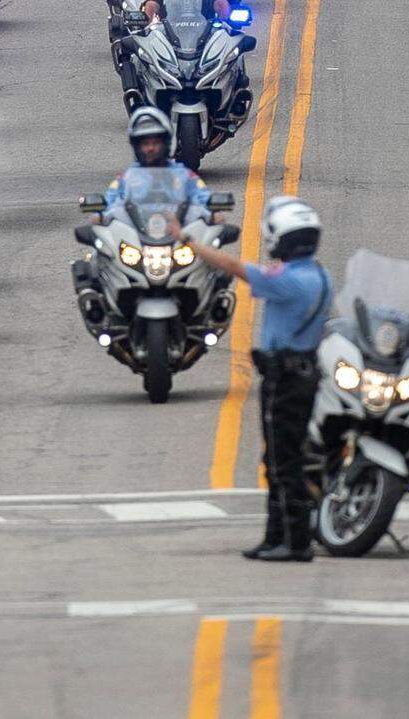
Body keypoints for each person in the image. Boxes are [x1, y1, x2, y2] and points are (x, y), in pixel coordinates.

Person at [167, 193, 332, 561]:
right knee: (276, 459)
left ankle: (295, 541)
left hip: (286, 379)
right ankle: (276, 537)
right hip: (297, 374)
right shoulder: (318, 275)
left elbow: (232, 266)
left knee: (284, 461)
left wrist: (187, 241)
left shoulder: (290, 281)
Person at [102, 107, 212, 223]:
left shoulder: (186, 176)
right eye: (145, 144)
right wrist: (99, 216)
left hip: (180, 237)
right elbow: (109, 205)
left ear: (166, 143)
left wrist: (213, 215)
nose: (150, 148)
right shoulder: (124, 179)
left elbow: (204, 201)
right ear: (136, 147)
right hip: (134, 239)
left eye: (155, 143)